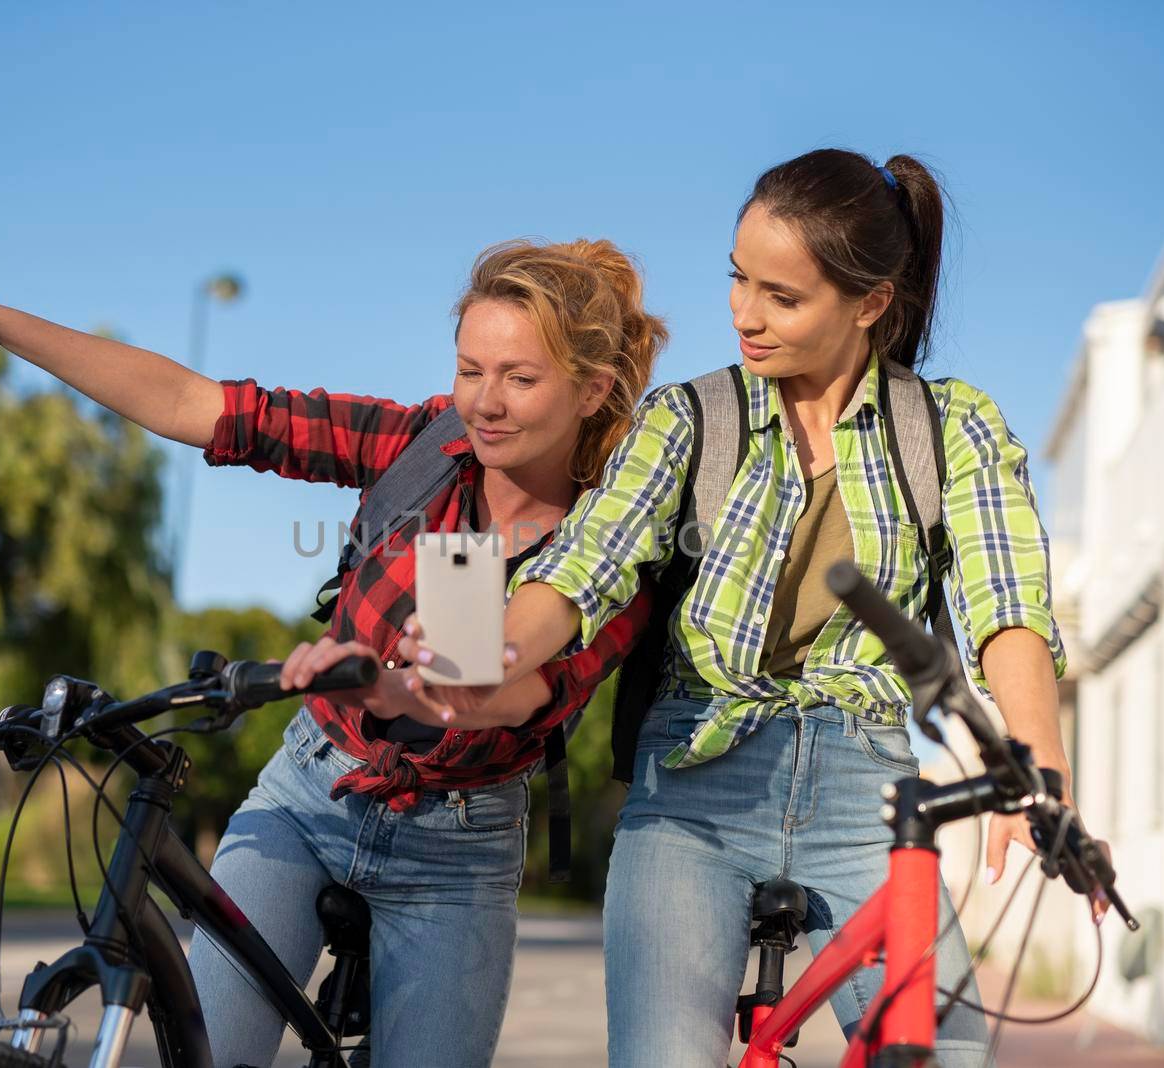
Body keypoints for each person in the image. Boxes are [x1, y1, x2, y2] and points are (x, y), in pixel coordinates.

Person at [0, 238, 662, 1067]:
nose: (483, 403)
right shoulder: (421, 450)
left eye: (520, 378)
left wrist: (406, 693)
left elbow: (529, 697)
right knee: (211, 1053)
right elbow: (199, 404)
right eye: (469, 369)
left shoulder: (613, 541)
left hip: (459, 845)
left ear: (591, 389)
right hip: (308, 794)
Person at [403, 150, 1099, 1068]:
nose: (743, 312)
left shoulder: (950, 429)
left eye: (781, 295)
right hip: (694, 786)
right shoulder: (689, 419)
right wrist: (494, 648)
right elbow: (582, 569)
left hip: (872, 789)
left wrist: (1037, 758)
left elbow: (1005, 601)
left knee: (948, 1056)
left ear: (870, 303)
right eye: (737, 278)